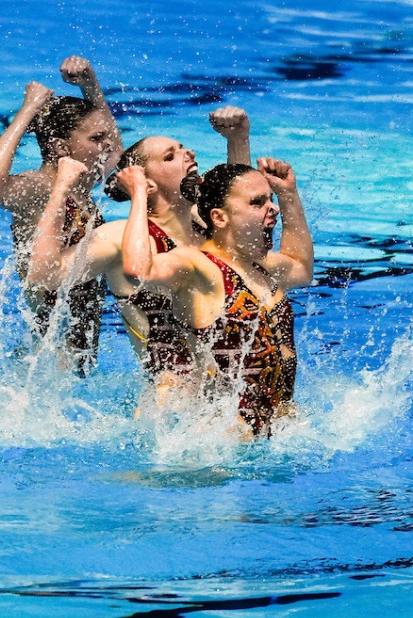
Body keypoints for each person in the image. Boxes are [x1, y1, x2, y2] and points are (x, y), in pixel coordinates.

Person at [28, 107, 253, 386]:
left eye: (183, 148)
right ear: (146, 184)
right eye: (170, 156)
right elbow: (45, 276)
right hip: (173, 405)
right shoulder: (123, 238)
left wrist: (237, 139)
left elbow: (245, 214)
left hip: (228, 392)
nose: (188, 154)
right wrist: (61, 189)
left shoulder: (204, 224)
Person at [119, 158, 314, 437]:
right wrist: (138, 195)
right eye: (257, 203)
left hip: (277, 435)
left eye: (270, 200)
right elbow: (139, 269)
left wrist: (288, 194)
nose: (273, 208)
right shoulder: (199, 267)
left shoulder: (259, 264)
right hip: (224, 448)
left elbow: (302, 269)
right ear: (219, 217)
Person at [0, 56, 124, 374]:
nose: (105, 145)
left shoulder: (82, 182)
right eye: (95, 139)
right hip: (50, 346)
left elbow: (117, 151)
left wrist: (91, 85)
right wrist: (28, 110)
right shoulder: (40, 187)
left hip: (78, 338)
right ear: (62, 147)